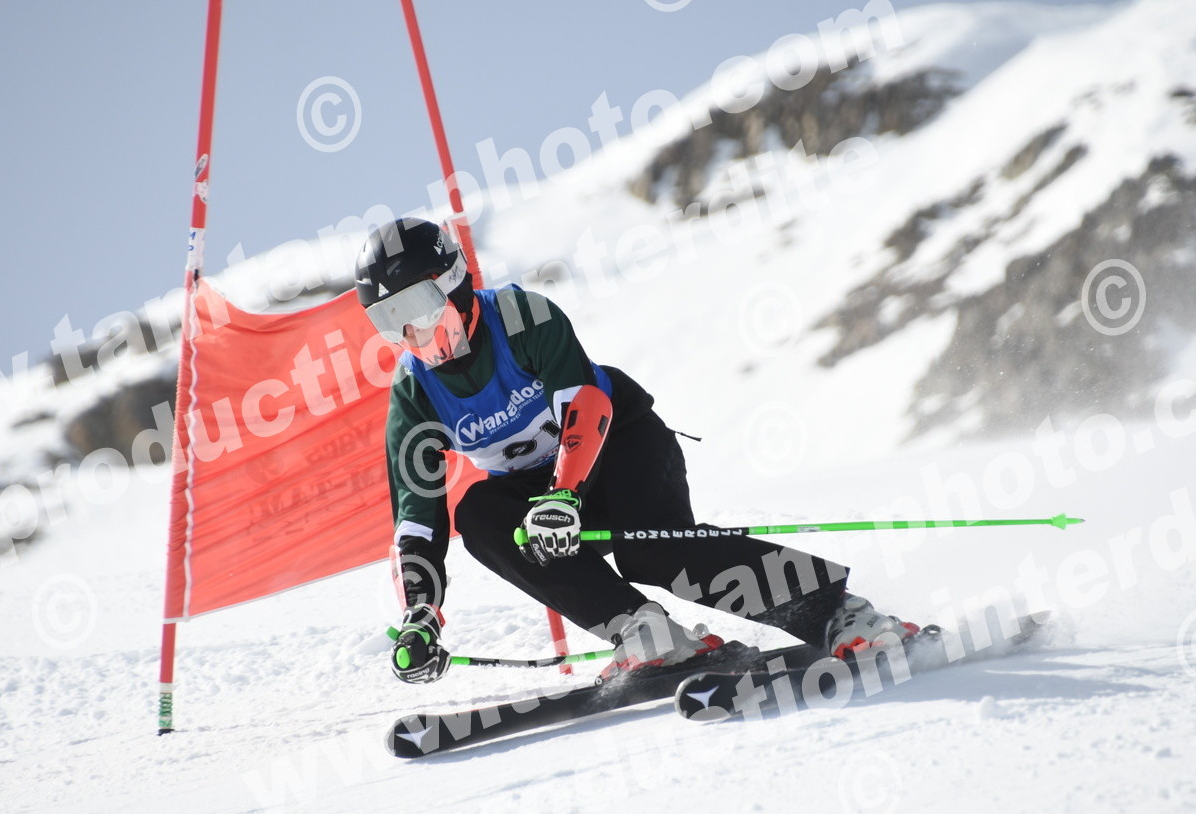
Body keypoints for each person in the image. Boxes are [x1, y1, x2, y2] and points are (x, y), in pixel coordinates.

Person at [356, 216, 921, 684]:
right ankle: (644, 632)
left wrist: (564, 495)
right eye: (390, 322)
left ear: (453, 280)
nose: (412, 336)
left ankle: (839, 613)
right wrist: (420, 612)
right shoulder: (413, 391)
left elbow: (584, 406)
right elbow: (416, 518)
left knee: (654, 551)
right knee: (478, 515)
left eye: (419, 310)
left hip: (617, 444)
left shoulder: (522, 318)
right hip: (535, 489)